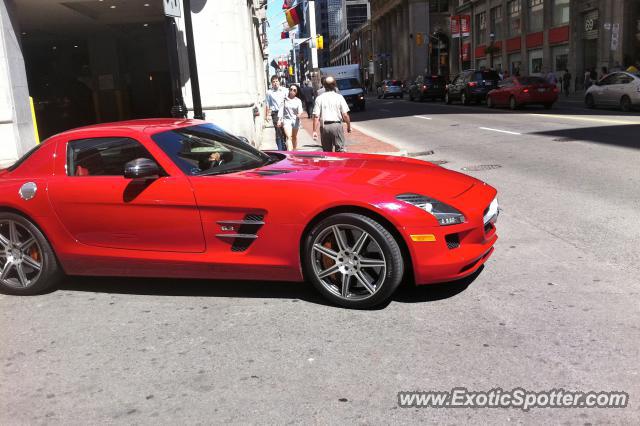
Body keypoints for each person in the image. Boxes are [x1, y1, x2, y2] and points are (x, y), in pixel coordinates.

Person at [312, 76, 351, 153]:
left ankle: (329, 164)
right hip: (337, 126)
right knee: (340, 151)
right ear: (334, 85)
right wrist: (348, 126)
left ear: (324, 85)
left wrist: (314, 131)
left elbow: (316, 116)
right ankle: (339, 165)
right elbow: (345, 115)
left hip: (324, 127)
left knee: (327, 152)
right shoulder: (339, 97)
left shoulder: (319, 98)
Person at [277, 84, 304, 150]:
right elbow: (281, 110)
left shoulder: (298, 100)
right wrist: (279, 120)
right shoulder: (284, 100)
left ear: (296, 92)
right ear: (289, 90)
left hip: (295, 120)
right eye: (291, 89)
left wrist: (299, 114)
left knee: (294, 137)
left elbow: (300, 110)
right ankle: (290, 153)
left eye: (294, 90)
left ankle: (294, 151)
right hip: (287, 120)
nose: (292, 91)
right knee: (289, 137)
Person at [265, 75, 288, 150]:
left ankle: (285, 147)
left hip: (285, 113)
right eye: (273, 82)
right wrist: (267, 115)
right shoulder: (269, 92)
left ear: (279, 81)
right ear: (271, 83)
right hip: (275, 113)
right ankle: (280, 149)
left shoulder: (285, 90)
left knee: (285, 131)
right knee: (278, 131)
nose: (275, 83)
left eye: (276, 81)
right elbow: (267, 104)